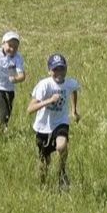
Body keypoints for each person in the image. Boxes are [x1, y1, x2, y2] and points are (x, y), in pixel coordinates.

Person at [27, 53, 80, 189]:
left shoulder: (70, 83)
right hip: (43, 127)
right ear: (49, 70)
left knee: (61, 146)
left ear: (66, 69)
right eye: (55, 69)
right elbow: (30, 109)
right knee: (44, 163)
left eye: (61, 68)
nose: (59, 72)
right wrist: (49, 101)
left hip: (61, 122)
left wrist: (74, 110)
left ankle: (62, 172)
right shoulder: (44, 85)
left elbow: (74, 91)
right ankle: (43, 187)